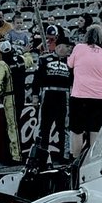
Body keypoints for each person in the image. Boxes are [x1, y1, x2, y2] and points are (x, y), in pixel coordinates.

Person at [66, 24, 102, 159]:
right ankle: (93, 158)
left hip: (80, 94)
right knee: (95, 129)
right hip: (99, 96)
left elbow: (70, 64)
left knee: (77, 130)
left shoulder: (79, 48)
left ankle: (76, 158)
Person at [32, 34, 72, 165]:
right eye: (67, 47)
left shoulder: (71, 62)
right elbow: (37, 78)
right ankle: (42, 155)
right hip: (47, 94)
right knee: (44, 127)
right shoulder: (45, 59)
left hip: (64, 96)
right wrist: (35, 95)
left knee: (63, 127)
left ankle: (64, 156)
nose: (69, 49)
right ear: (59, 46)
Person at [0, 40, 22, 163]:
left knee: (12, 126)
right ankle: (17, 154)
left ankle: (15, 156)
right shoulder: (20, 59)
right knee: (17, 125)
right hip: (21, 95)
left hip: (10, 97)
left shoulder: (2, 64)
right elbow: (30, 60)